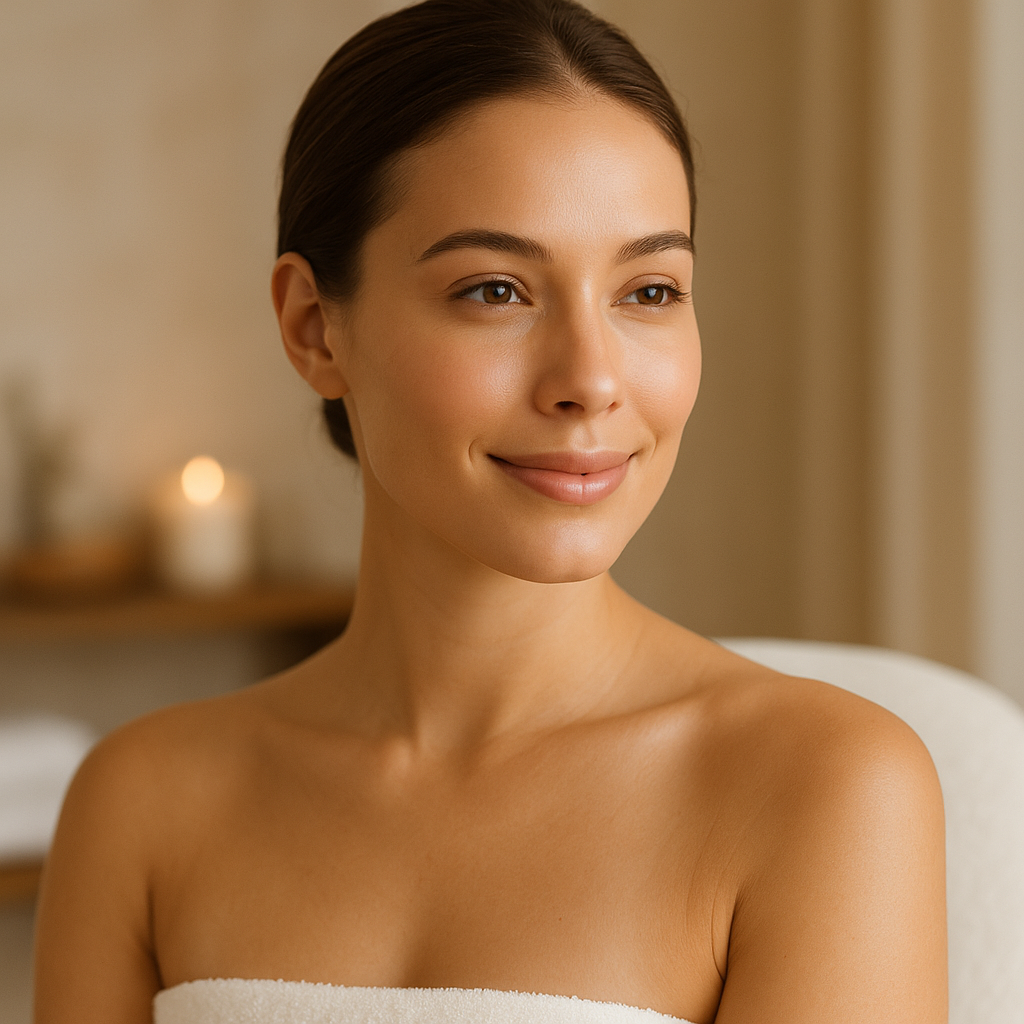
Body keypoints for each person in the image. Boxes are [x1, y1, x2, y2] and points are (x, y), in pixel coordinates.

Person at [32, 1, 947, 1021]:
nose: (589, 382)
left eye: (647, 292)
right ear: (312, 327)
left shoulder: (825, 788)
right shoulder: (143, 800)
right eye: (496, 290)